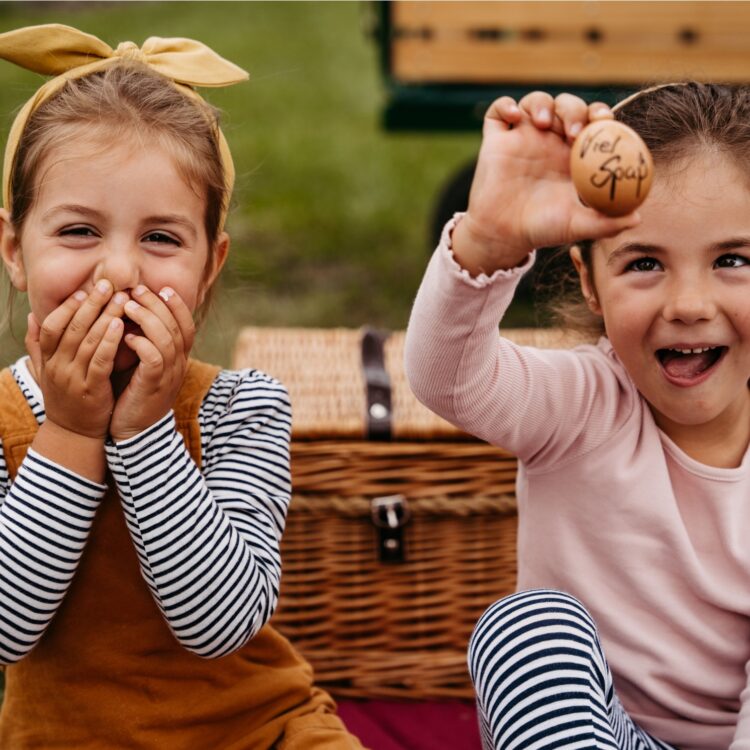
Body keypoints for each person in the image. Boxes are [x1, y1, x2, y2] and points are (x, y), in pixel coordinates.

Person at [0, 24, 363, 749]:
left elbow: (222, 622)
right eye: (78, 232)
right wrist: (70, 434)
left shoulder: (242, 408)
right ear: (14, 250)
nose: (121, 273)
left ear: (209, 267)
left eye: (160, 238)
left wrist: (144, 433)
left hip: (260, 729)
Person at [404, 81, 750, 750]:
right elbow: (448, 380)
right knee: (525, 628)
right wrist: (490, 239)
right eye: (644, 263)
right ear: (590, 283)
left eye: (733, 260)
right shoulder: (582, 405)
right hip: (590, 736)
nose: (688, 303)